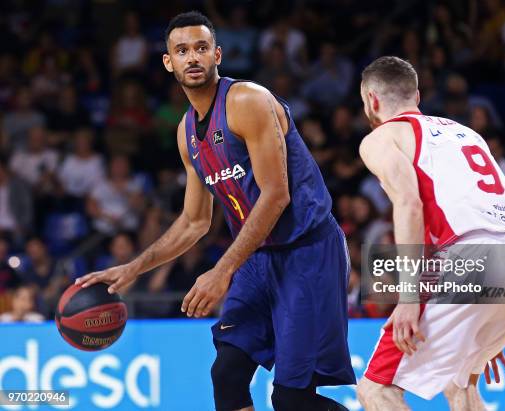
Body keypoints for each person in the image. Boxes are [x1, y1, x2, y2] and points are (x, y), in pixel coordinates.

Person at [76, 11, 354, 411]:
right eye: (182, 50)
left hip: (306, 253)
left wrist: (222, 271)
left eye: (201, 48)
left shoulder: (248, 101)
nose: (193, 57)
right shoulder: (186, 131)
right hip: (258, 258)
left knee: (292, 399)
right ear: (168, 62)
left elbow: (276, 196)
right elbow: (194, 221)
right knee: (226, 375)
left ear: (217, 54)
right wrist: (133, 267)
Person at [355, 56, 505, 410]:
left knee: (376, 390)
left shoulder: (382, 137)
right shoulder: (465, 133)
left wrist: (410, 298)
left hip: (473, 260)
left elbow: (410, 204)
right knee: (460, 388)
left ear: (371, 100)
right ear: (417, 95)